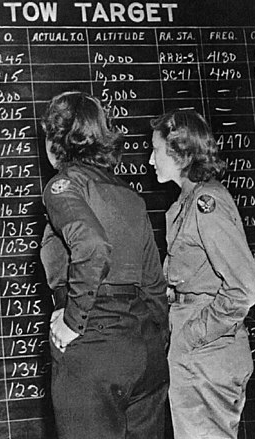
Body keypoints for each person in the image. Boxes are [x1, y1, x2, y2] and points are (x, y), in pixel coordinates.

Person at [40, 91, 169, 439]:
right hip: (145, 348)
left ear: (56, 139)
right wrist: (156, 344)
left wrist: (72, 321)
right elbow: (155, 284)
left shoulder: (62, 187)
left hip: (95, 346)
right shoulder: (129, 194)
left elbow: (93, 246)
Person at [149, 109, 255, 439]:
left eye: (156, 150)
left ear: (180, 153)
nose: (150, 160)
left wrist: (193, 334)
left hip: (206, 355)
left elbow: (247, 288)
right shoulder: (185, 203)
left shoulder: (207, 202)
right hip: (195, 354)